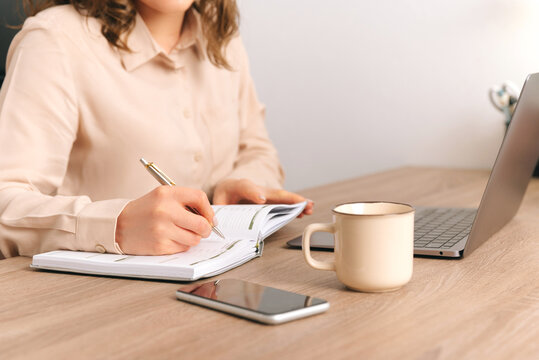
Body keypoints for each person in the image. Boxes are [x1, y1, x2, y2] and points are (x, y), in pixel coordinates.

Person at [0, 0, 313, 258]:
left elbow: (257, 149)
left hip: (219, 280)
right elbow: (5, 202)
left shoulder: (220, 34)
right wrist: (116, 225)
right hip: (97, 305)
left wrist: (234, 188)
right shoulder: (54, 42)